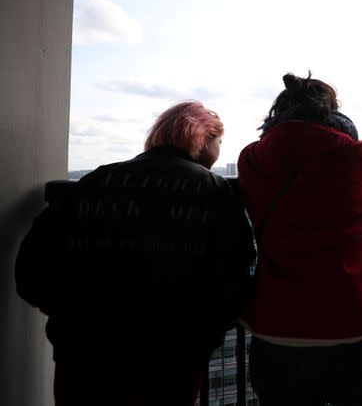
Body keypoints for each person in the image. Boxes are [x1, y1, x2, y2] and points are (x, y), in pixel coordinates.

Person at [15, 101, 256, 406]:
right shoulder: (215, 191)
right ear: (204, 139)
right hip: (173, 353)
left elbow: (33, 264)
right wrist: (205, 333)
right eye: (219, 142)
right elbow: (235, 275)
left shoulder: (96, 181)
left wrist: (68, 315)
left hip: (83, 349)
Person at [238, 73, 362, 406]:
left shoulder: (252, 160)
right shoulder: (357, 160)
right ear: (330, 115)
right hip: (347, 329)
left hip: (276, 327)